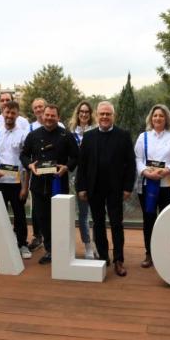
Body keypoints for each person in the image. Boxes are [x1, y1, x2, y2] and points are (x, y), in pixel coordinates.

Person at [77, 101, 136, 277]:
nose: (104, 117)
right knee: (98, 223)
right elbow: (82, 165)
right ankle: (103, 257)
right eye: (102, 114)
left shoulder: (123, 135)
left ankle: (119, 260)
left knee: (117, 224)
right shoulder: (89, 137)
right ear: (97, 115)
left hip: (116, 189)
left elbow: (131, 164)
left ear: (113, 116)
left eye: (108, 114)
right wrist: (81, 187)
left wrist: (127, 187)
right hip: (94, 188)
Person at [20, 104, 79, 264]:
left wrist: (67, 167)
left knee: (60, 219)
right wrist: (30, 165)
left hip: (59, 182)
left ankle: (62, 249)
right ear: (42, 116)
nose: (49, 118)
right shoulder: (32, 135)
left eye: (53, 115)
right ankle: (50, 250)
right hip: (39, 185)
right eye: (47, 115)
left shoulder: (66, 135)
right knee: (43, 218)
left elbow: (76, 156)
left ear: (58, 117)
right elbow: (24, 156)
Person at [134, 104, 170, 268]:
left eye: (161, 116)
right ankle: (149, 254)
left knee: (166, 221)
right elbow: (137, 159)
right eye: (155, 115)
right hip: (148, 184)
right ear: (151, 118)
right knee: (149, 220)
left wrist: (167, 170)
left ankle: (163, 254)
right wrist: (146, 172)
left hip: (167, 185)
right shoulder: (143, 137)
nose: (158, 118)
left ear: (166, 118)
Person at [0, 101, 31, 259]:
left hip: (17, 183)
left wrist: (25, 187)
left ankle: (22, 244)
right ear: (2, 113)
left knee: (20, 215)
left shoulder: (23, 135)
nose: (9, 116)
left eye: (13, 113)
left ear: (17, 115)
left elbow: (26, 163)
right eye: (7, 112)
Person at [68, 101, 97, 259]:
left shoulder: (97, 131)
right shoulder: (71, 133)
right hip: (76, 177)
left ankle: (98, 244)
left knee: (98, 213)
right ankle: (87, 246)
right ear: (77, 114)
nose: (84, 114)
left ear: (90, 113)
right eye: (81, 111)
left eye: (87, 111)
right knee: (83, 213)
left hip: (95, 176)